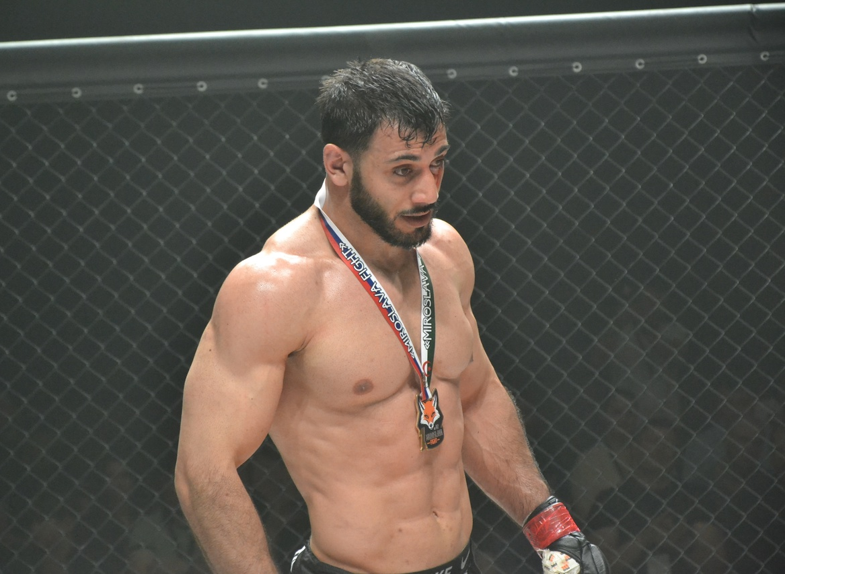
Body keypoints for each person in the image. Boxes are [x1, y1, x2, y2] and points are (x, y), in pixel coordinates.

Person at [174, 58, 609, 574]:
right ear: (338, 166)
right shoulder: (276, 288)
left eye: (437, 163)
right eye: (403, 170)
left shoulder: (445, 254)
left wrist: (550, 525)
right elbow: (204, 470)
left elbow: (475, 395)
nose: (428, 192)